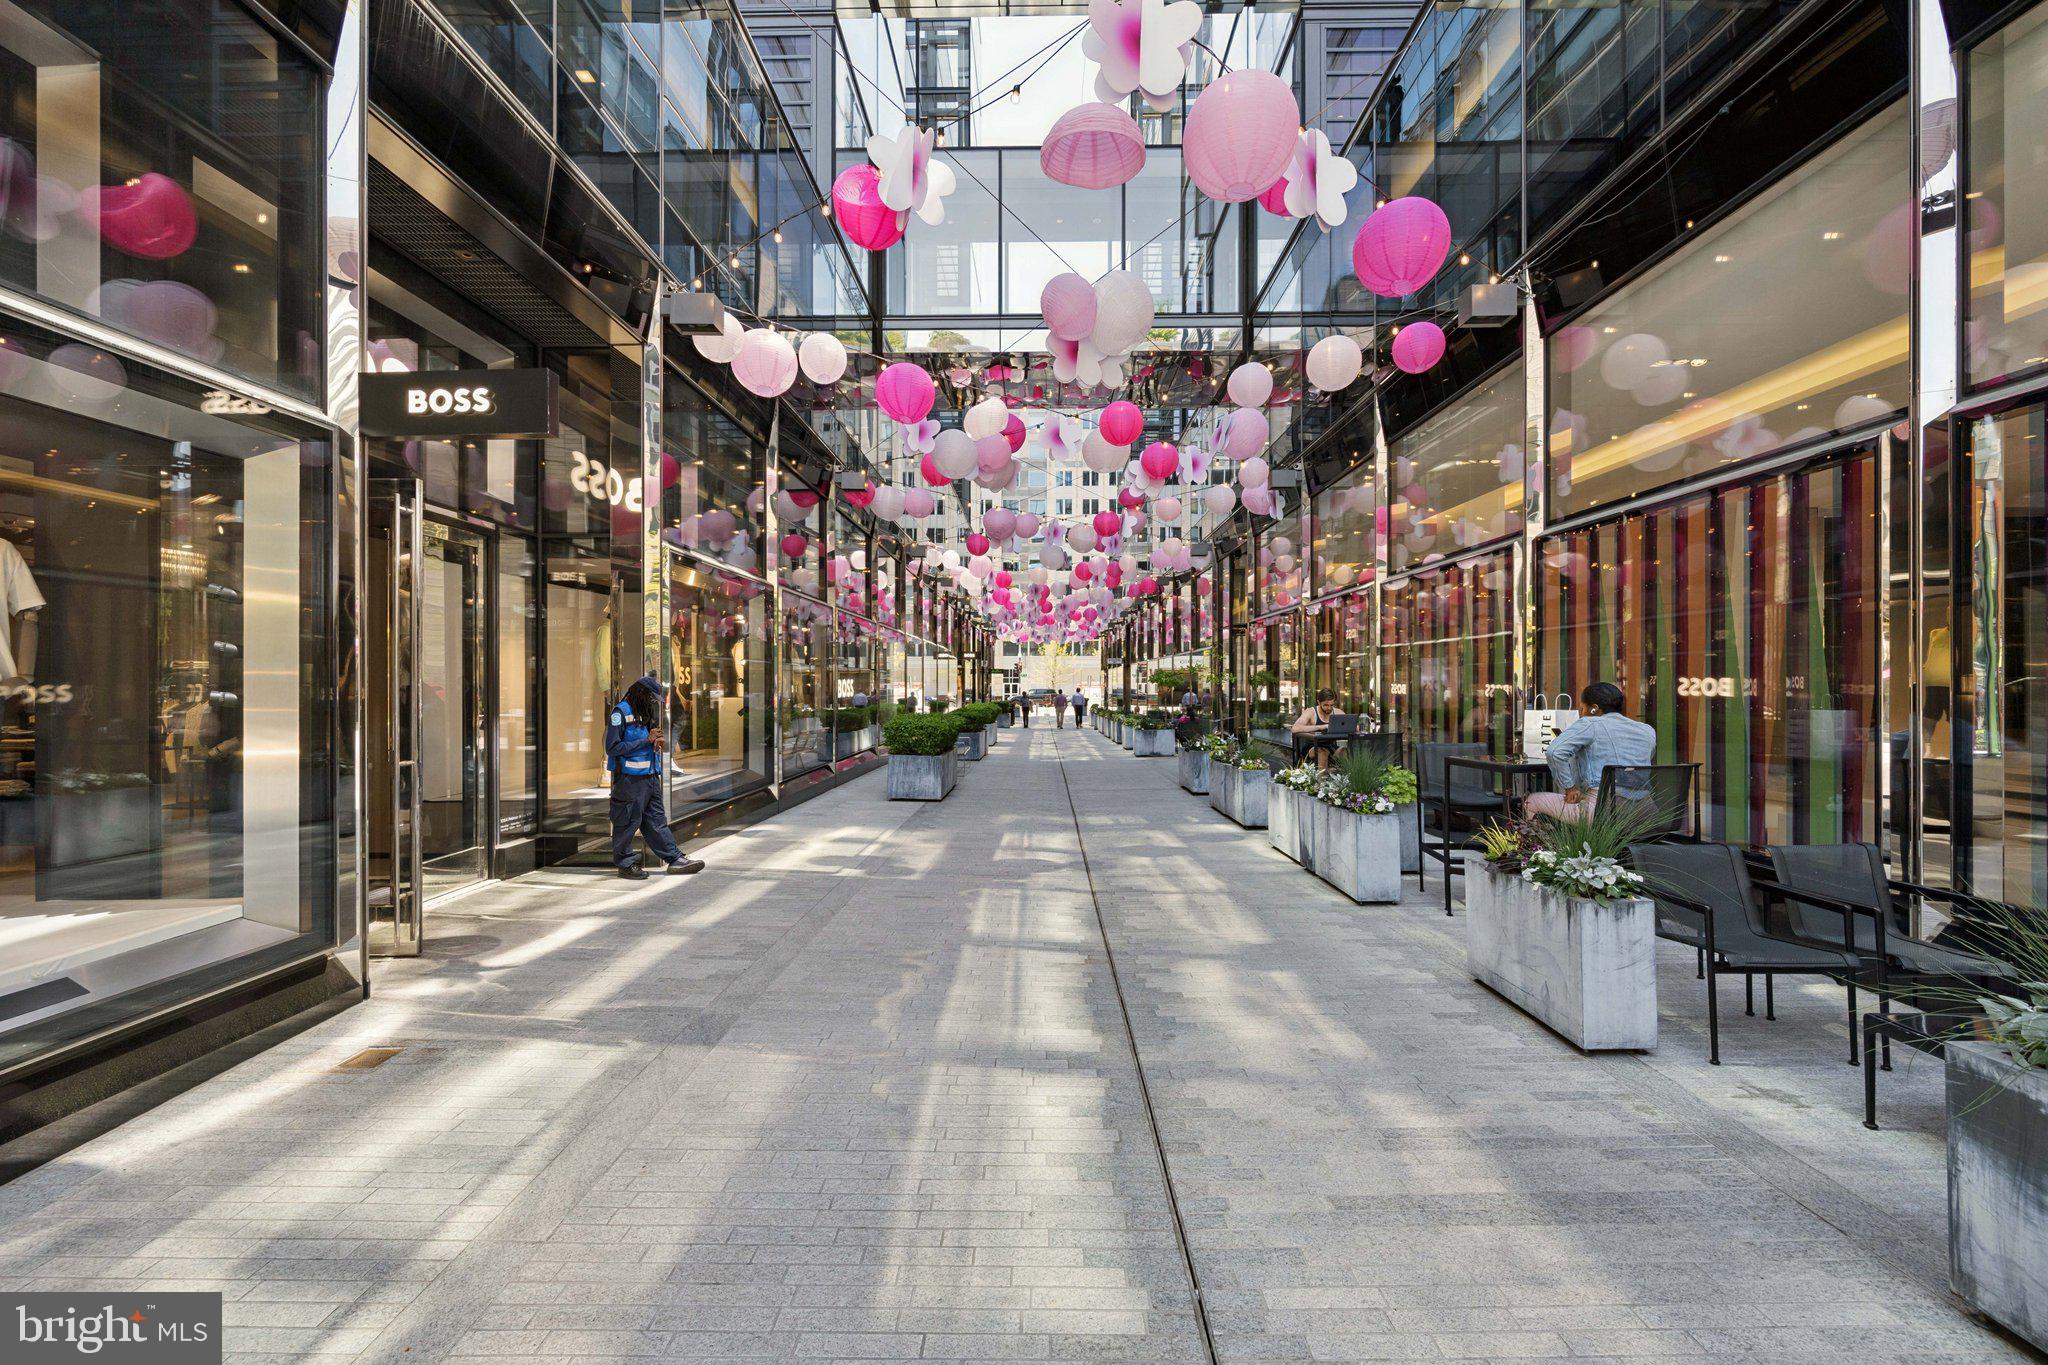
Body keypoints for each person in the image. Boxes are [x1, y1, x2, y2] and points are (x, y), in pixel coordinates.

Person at [606, 674, 705, 880]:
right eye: (651, 698)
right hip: (629, 780)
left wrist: (655, 742)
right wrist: (645, 740)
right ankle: (625, 865)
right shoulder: (620, 713)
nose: (652, 703)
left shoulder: (643, 712)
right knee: (627, 822)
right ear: (641, 694)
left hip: (650, 777)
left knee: (656, 820)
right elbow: (612, 747)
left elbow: (644, 740)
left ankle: (674, 858)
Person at [1526, 681, 1657, 821]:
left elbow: (1555, 752)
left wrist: (1569, 787)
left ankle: (1537, 843)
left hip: (1604, 812)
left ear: (1594, 709)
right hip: (1645, 813)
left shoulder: (1590, 723)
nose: (1581, 714)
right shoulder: (1647, 730)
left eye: (1582, 708)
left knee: (1532, 801)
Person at [1290, 687, 1345, 769]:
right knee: (1322, 752)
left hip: (1331, 747)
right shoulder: (1310, 712)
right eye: (1326, 705)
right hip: (1312, 747)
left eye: (1331, 705)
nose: (1329, 708)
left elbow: (1354, 726)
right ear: (1319, 702)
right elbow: (1295, 728)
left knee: (1344, 751)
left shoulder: (1337, 712)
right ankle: (1322, 780)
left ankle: (1343, 779)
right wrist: (1321, 727)